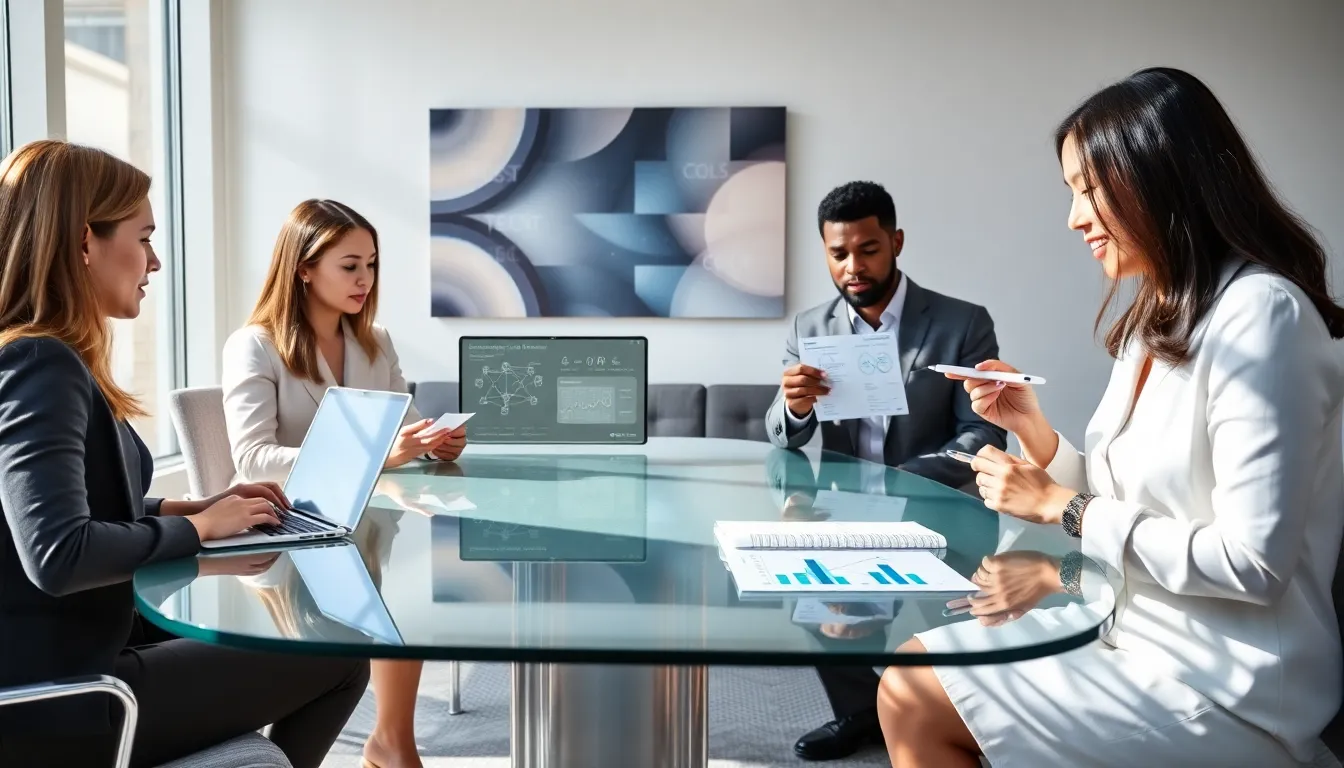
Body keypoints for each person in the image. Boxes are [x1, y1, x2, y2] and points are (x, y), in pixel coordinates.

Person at [878, 67, 1344, 768]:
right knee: (913, 671)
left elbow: (1251, 564)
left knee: (916, 689)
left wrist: (1061, 506)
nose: (1074, 218)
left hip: (1229, 694)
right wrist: (1032, 428)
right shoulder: (1153, 323)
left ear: (1162, 177)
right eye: (1072, 193)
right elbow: (1124, 495)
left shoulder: (1262, 316)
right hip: (1134, 638)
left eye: (1089, 191)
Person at [0, 140, 370, 768]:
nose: (155, 260)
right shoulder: (40, 362)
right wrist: (197, 530)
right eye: (142, 238)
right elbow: (58, 553)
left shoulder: (38, 356)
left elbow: (62, 508)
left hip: (75, 660)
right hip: (69, 701)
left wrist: (189, 505)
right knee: (336, 653)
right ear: (85, 243)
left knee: (310, 636)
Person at [763, 181, 1008, 760]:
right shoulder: (808, 329)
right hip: (844, 510)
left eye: (868, 249)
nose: (853, 265)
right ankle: (861, 712)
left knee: (957, 636)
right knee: (814, 610)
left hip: (940, 504)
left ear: (895, 241)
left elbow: (983, 431)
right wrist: (797, 405)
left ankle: (963, 722)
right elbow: (781, 432)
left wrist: (906, 480)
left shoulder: (962, 322)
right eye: (838, 253)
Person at [221, 199, 463, 768]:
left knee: (414, 599)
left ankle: (392, 741)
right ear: (304, 267)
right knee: (392, 600)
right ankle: (386, 745)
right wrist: (379, 458)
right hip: (281, 532)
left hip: (363, 522)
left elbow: (399, 432)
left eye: (371, 265)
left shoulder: (374, 342)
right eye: (349, 265)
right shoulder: (255, 345)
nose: (365, 279)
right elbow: (254, 459)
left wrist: (434, 443)